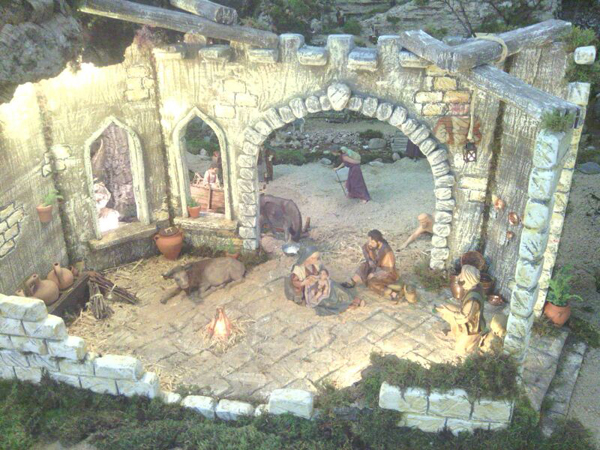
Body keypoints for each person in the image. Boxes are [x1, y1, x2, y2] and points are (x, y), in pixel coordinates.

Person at [284, 246, 363, 315]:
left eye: (316, 258)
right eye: (314, 258)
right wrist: (303, 283)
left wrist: (322, 277)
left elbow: (323, 272)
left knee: (332, 284)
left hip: (319, 283)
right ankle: (346, 306)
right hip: (309, 291)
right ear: (308, 258)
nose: (316, 259)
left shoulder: (315, 264)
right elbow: (294, 282)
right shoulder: (298, 268)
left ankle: (352, 299)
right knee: (324, 297)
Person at [435, 264, 486, 355]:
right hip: (469, 316)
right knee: (448, 307)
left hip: (472, 328)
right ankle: (456, 332)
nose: (459, 277)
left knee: (460, 351)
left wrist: (448, 311)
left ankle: (473, 341)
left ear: (468, 278)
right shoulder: (476, 286)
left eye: (461, 275)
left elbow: (464, 317)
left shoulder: (472, 300)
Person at [342, 230, 399, 299]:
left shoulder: (387, 252)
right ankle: (353, 281)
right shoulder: (374, 245)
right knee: (364, 265)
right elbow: (367, 250)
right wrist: (370, 255)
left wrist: (374, 274)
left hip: (388, 274)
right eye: (369, 241)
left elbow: (388, 270)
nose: (370, 243)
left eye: (372, 242)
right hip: (377, 268)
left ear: (379, 242)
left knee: (371, 282)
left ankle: (392, 293)